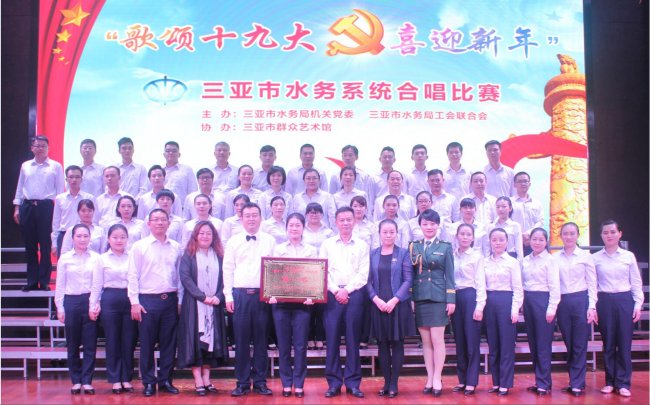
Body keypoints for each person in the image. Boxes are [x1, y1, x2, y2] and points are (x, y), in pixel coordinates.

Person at [127, 208, 183, 397]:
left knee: (169, 344)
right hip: (147, 300)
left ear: (169, 223)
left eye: (163, 219)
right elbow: (132, 275)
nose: (160, 222)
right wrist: (134, 302)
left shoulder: (176, 247)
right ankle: (149, 382)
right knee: (147, 344)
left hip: (170, 300)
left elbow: (179, 276)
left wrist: (180, 300)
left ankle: (166, 380)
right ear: (148, 223)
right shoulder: (139, 246)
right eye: (156, 219)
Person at [223, 202, 276, 397]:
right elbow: (227, 269)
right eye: (248, 215)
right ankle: (242, 382)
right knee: (241, 342)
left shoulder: (270, 240)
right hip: (240, 295)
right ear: (242, 218)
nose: (251, 219)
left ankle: (261, 381)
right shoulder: (233, 241)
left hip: (263, 295)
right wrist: (228, 295)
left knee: (261, 341)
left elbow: (275, 268)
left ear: (261, 218)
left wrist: (272, 293)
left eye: (255, 215)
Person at [320, 207, 370, 398]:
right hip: (332, 295)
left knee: (353, 340)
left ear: (354, 221)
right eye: (342, 220)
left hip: (354, 295)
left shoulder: (362, 245)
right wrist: (336, 290)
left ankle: (353, 383)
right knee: (332, 340)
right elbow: (323, 271)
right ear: (336, 222)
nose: (346, 223)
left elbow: (363, 274)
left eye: (349, 219)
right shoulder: (327, 244)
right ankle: (333, 383)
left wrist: (346, 290)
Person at [268, 213, 318, 397]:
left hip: (303, 305)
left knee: (300, 346)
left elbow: (315, 276)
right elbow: (272, 274)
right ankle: (286, 383)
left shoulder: (311, 250)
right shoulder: (278, 249)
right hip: (281, 305)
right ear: (286, 228)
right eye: (291, 225)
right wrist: (271, 294)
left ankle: (299, 384)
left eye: (298, 225)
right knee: (283, 346)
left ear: (303, 228)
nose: (294, 228)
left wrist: (313, 295)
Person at [593, 220, 644, 398]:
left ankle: (623, 383)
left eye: (613, 232)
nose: (609, 235)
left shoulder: (628, 256)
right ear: (601, 235)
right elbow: (593, 285)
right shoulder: (595, 258)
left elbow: (636, 282)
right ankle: (609, 381)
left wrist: (638, 304)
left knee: (623, 343)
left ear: (620, 234)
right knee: (608, 343)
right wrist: (593, 306)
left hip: (624, 300)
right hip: (604, 301)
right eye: (605, 232)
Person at [177, 221, 228, 396]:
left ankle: (207, 379)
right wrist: (202, 297)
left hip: (214, 304)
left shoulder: (219, 255)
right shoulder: (188, 255)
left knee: (211, 345)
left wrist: (218, 296)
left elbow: (226, 278)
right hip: (195, 305)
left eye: (208, 233)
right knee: (196, 343)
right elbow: (185, 279)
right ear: (196, 236)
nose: (205, 236)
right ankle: (198, 380)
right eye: (202, 233)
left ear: (213, 237)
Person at [409, 209, 455, 397]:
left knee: (437, 340)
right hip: (421, 297)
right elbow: (411, 275)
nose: (429, 227)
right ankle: (429, 377)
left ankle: (437, 377)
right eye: (425, 224)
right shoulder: (414, 246)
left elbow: (450, 275)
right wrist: (411, 298)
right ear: (420, 226)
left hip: (438, 297)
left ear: (438, 225)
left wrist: (451, 299)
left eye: (432, 224)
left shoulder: (445, 247)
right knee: (426, 341)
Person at [367, 219, 415, 398]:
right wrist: (375, 299)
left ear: (396, 234)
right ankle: (386, 383)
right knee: (382, 344)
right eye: (385, 232)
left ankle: (394, 383)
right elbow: (367, 281)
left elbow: (408, 280)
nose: (388, 235)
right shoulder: (372, 254)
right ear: (379, 234)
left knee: (397, 343)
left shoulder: (403, 253)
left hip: (398, 305)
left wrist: (394, 300)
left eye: (391, 232)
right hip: (378, 305)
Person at [89, 224, 136, 394]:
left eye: (122, 237)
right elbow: (96, 284)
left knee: (129, 340)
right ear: (108, 239)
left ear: (127, 239)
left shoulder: (133, 257)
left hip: (130, 298)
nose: (119, 240)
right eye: (115, 237)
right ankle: (115, 379)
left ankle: (126, 378)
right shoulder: (101, 259)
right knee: (113, 339)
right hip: (110, 298)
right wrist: (93, 304)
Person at [13, 135, 65, 291]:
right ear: (32, 148)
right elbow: (20, 187)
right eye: (37, 145)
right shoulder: (25, 166)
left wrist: (60, 211)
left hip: (46, 207)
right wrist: (17, 207)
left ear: (48, 148)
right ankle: (31, 281)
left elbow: (60, 191)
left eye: (43, 146)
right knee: (30, 246)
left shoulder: (56, 166)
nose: (40, 148)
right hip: (27, 206)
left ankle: (44, 281)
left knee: (45, 245)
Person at [55, 223, 100, 395]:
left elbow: (97, 284)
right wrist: (60, 307)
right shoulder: (65, 258)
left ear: (90, 238)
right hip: (71, 301)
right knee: (72, 344)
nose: (82, 239)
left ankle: (87, 381)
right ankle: (75, 381)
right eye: (79, 236)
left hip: (89, 300)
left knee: (90, 344)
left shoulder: (96, 258)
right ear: (72, 238)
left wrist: (93, 304)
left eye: (85, 236)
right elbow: (60, 285)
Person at [554, 222, 597, 397]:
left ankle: (577, 383)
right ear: (561, 236)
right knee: (569, 343)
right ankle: (575, 380)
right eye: (565, 233)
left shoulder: (586, 256)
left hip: (581, 300)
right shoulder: (555, 258)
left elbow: (592, 283)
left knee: (579, 343)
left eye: (572, 233)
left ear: (578, 235)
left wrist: (592, 305)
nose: (569, 236)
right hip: (563, 302)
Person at [483, 228, 523, 396]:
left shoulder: (512, 262)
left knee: (506, 345)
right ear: (490, 242)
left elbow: (518, 288)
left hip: (506, 302)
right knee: (493, 344)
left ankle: (505, 383)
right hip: (489, 302)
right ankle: (496, 382)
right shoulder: (484, 262)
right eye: (494, 240)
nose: (497, 243)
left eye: (501, 239)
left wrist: (515, 309)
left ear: (507, 242)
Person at [521, 228, 560, 396]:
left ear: (546, 242)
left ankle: (544, 382)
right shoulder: (525, 260)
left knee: (543, 344)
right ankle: (540, 380)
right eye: (534, 239)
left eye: (541, 239)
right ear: (529, 241)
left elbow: (555, 286)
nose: (537, 242)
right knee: (534, 343)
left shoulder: (550, 260)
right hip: (528, 301)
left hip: (543, 301)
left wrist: (552, 308)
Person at [450, 223, 486, 396]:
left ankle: (471, 381)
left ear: (473, 238)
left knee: (472, 341)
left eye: (468, 234)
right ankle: (462, 379)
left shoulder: (477, 257)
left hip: (471, 296)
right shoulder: (452, 256)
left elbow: (481, 282)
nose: (465, 237)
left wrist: (480, 306)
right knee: (460, 341)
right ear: (457, 236)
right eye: (462, 234)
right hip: (455, 298)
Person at [51, 165, 94, 258]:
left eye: (77, 177)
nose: (74, 180)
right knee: (64, 263)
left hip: (83, 236)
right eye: (71, 177)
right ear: (66, 179)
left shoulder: (89, 198)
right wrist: (54, 243)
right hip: (64, 235)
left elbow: (95, 219)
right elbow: (56, 222)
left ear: (81, 179)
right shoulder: (59, 198)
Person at [511, 172, 544, 256]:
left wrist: (528, 233)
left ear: (529, 184)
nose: (523, 184)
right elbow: (507, 221)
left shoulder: (536, 203)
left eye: (525, 181)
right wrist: (520, 235)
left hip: (532, 242)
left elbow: (540, 221)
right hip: (514, 243)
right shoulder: (509, 202)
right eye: (520, 181)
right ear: (514, 184)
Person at [485, 196, 524, 260]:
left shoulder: (515, 226)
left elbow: (519, 248)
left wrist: (519, 263)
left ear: (510, 208)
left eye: (504, 206)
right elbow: (487, 247)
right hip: (494, 258)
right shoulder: (491, 227)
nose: (500, 209)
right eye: (498, 207)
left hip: (511, 258)